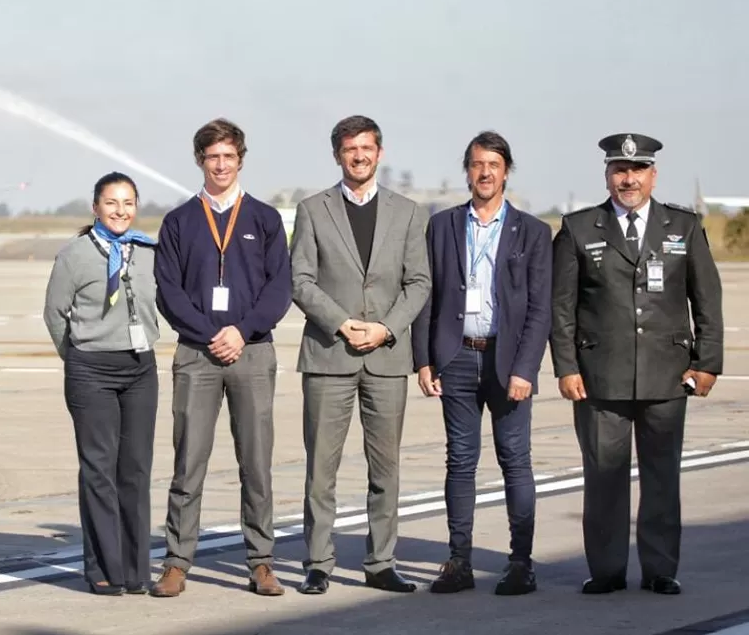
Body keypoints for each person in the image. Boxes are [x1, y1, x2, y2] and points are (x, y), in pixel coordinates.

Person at [550, 133, 723, 596]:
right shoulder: (580, 228)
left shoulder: (682, 226)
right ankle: (606, 570)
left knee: (661, 478)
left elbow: (706, 299)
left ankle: (660, 569)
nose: (629, 178)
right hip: (599, 377)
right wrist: (566, 367)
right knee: (604, 478)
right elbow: (561, 307)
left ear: (653, 174)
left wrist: (707, 362)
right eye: (620, 170)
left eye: (638, 169)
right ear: (607, 175)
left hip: (667, 374)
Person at [149, 118, 293, 598]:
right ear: (200, 161)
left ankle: (261, 561)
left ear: (240, 160)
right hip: (196, 354)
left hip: (252, 352)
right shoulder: (178, 221)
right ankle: (176, 562)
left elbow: (280, 287)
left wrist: (242, 330)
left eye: (229, 156)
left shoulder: (265, 219)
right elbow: (168, 291)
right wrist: (211, 333)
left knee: (256, 461)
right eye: (213, 157)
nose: (221, 165)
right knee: (188, 461)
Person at [289, 115, 431, 595]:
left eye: (367, 147)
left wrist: (386, 328)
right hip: (329, 354)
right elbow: (301, 280)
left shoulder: (410, 212)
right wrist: (341, 322)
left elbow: (419, 282)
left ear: (380, 152)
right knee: (320, 469)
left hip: (387, 358)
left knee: (385, 467)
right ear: (337, 155)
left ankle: (381, 561)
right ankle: (318, 562)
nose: (359, 155)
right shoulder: (313, 209)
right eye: (350, 148)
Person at [411, 130, 552, 596]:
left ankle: (520, 563)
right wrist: (424, 359)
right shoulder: (444, 225)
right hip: (456, 356)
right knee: (461, 461)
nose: (485, 172)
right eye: (476, 164)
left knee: (515, 460)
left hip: (506, 361)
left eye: (493, 164)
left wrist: (525, 370)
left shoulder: (532, 231)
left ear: (506, 170)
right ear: (467, 171)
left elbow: (539, 308)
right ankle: (459, 561)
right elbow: (425, 293)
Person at [42, 171, 161, 596]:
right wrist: (78, 357)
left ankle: (135, 568)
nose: (120, 211)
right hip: (91, 370)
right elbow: (55, 315)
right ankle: (103, 569)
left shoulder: (148, 251)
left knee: (136, 470)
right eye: (111, 203)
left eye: (128, 203)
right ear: (96, 207)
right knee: (99, 471)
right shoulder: (74, 255)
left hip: (140, 370)